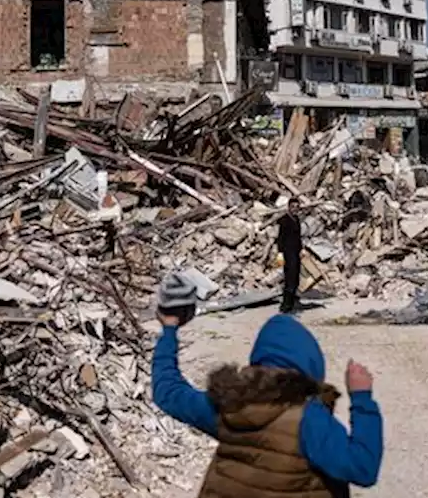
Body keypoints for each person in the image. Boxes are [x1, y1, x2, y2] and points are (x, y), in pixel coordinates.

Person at [152, 312, 383, 497]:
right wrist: (362, 398)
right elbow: (362, 468)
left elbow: (168, 392)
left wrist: (170, 330)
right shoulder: (308, 419)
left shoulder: (230, 404)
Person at [277, 209, 303, 314]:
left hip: (296, 252)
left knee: (296, 278)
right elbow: (280, 237)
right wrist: (280, 252)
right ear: (289, 208)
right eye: (293, 207)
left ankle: (292, 303)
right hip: (287, 253)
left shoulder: (297, 219)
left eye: (297, 207)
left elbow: (298, 237)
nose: (295, 209)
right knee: (289, 278)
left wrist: (301, 249)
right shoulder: (284, 220)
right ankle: (285, 305)